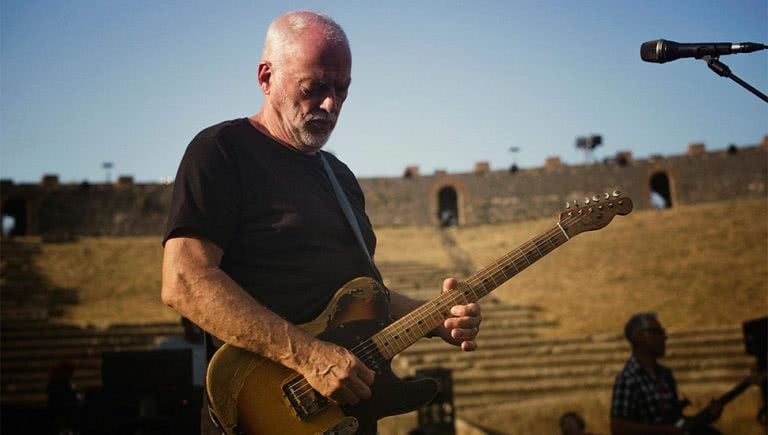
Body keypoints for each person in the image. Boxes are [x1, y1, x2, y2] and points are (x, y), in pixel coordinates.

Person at [160, 10, 481, 434]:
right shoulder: (221, 151)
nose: (330, 104)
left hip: (347, 417)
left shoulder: (340, 178)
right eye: (314, 88)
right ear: (266, 77)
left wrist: (434, 318)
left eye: (342, 89)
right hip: (264, 416)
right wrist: (308, 357)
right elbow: (184, 279)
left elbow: (357, 299)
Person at [610, 312, 723, 435]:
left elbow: (676, 422)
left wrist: (706, 417)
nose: (664, 337)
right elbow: (619, 428)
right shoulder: (628, 379)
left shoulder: (666, 375)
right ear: (639, 337)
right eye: (657, 332)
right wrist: (667, 431)